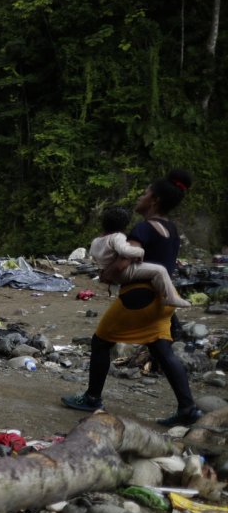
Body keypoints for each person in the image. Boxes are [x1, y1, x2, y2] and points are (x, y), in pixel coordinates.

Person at [62, 169, 202, 426]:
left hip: (139, 298)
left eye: (145, 193)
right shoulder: (170, 229)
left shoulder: (143, 228)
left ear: (155, 200)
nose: (141, 196)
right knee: (161, 349)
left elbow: (126, 261)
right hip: (164, 300)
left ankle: (92, 398)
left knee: (101, 341)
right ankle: (188, 408)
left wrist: (108, 274)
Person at [91, 207, 190, 307]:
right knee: (160, 270)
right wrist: (140, 252)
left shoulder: (96, 241)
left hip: (107, 272)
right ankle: (171, 298)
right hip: (122, 272)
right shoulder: (117, 236)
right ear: (124, 225)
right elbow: (125, 251)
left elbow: (95, 256)